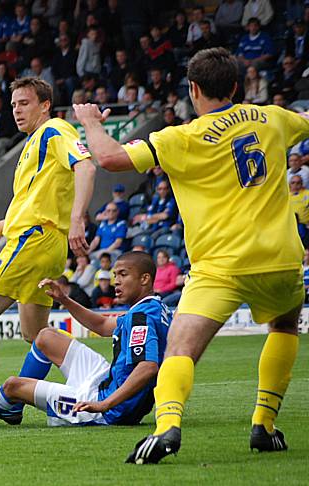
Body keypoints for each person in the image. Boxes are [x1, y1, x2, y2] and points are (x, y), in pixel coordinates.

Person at [73, 47, 309, 463]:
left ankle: (166, 430)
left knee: (180, 351)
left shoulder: (180, 137)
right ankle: (264, 425)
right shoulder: (273, 117)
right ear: (237, 86)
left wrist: (91, 122)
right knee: (285, 326)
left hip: (220, 267)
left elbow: (109, 157)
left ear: (193, 88)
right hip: (280, 258)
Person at [0, 77, 96, 425]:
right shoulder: (34, 145)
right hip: (44, 242)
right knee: (37, 336)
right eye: (14, 104)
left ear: (45, 104)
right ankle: (19, 401)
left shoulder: (54, 131)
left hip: (35, 241)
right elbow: (30, 207)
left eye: (25, 103)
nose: (17, 110)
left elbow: (87, 165)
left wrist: (78, 218)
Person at [0, 252, 170, 428]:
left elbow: (147, 367)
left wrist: (105, 404)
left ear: (145, 279)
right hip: (106, 381)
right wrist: (65, 300)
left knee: (12, 385)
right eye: (116, 275)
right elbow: (102, 325)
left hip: (109, 408)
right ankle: (13, 407)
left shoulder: (141, 318)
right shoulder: (150, 309)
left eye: (123, 275)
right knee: (45, 336)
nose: (116, 281)